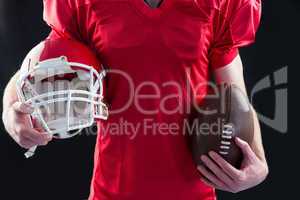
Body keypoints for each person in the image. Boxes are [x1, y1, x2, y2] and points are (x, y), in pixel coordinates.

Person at [2, 0, 269, 199]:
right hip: (113, 188)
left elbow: (237, 98)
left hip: (194, 190)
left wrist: (259, 164)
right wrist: (9, 108)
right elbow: (47, 58)